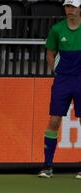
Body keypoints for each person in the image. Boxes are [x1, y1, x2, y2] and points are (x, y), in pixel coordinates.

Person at [38, 0, 81, 179]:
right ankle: (48, 166)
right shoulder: (57, 29)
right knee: (54, 121)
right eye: (67, 7)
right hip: (62, 80)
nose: (69, 10)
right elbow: (50, 53)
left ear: (80, 9)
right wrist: (56, 73)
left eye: (73, 7)